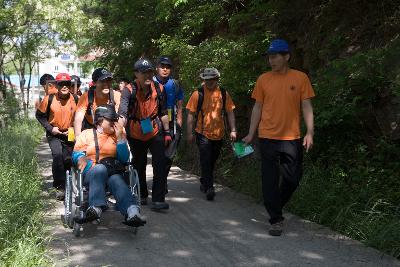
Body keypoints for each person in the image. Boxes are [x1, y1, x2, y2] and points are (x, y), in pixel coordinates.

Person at [242, 39, 315, 236]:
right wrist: (251, 133)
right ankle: (275, 219)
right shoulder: (263, 79)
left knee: (292, 179)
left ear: (286, 57)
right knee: (270, 179)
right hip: (267, 136)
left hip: (292, 137)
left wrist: (310, 132)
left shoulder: (300, 78)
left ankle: (275, 204)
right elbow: (257, 107)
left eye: (274, 57)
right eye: (269, 57)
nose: (271, 60)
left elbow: (306, 105)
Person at [72, 104, 145, 227]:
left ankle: (132, 212)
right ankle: (95, 208)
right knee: (100, 169)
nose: (114, 122)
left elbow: (124, 159)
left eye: (115, 119)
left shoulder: (119, 135)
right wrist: (81, 157)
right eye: (111, 119)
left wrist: (120, 139)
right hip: (92, 172)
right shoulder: (86, 134)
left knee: (116, 179)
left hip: (112, 172)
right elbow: (76, 154)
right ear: (100, 120)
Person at [118, 58, 171, 211]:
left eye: (149, 72)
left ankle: (158, 199)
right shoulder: (129, 90)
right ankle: (142, 194)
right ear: (136, 74)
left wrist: (167, 132)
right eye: (143, 73)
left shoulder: (159, 88)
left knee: (160, 163)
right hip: (135, 132)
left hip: (155, 130)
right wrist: (119, 133)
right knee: (139, 164)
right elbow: (122, 113)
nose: (147, 76)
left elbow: (163, 112)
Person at [186, 68, 237, 201]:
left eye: (212, 79)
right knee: (206, 159)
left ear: (217, 79)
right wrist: (189, 133)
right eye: (207, 79)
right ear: (204, 80)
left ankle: (204, 180)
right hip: (202, 133)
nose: (209, 82)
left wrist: (233, 129)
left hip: (219, 134)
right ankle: (210, 188)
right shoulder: (198, 94)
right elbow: (190, 114)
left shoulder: (224, 93)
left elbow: (230, 112)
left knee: (212, 161)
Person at [35, 73, 77, 200]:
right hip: (54, 133)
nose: (64, 86)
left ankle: (70, 183)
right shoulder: (49, 98)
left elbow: (82, 118)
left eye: (67, 84)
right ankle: (60, 187)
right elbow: (40, 115)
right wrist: (50, 128)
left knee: (68, 159)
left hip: (70, 132)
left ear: (70, 85)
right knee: (58, 155)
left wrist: (74, 129)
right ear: (57, 86)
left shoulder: (76, 98)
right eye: (61, 84)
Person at [153, 56, 184, 192]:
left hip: (172, 124)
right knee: (157, 155)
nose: (165, 69)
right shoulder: (150, 83)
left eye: (168, 67)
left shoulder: (175, 84)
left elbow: (180, 105)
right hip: (154, 123)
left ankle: (162, 180)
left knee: (169, 155)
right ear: (157, 67)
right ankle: (158, 182)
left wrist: (180, 122)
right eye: (162, 66)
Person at [74, 68, 121, 136]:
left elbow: (118, 119)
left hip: (110, 128)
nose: (106, 84)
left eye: (108, 80)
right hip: (90, 128)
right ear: (94, 83)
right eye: (102, 81)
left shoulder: (116, 96)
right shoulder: (86, 97)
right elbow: (78, 119)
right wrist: (78, 138)